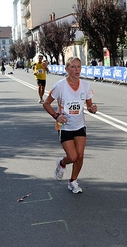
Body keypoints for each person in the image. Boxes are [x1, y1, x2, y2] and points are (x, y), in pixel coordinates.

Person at [43, 57, 98, 194]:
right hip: (64, 126)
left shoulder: (85, 86)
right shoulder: (60, 86)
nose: (76, 69)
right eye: (73, 67)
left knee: (80, 156)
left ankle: (73, 181)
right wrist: (56, 116)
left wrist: (92, 108)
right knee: (72, 157)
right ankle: (62, 163)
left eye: (79, 67)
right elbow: (46, 104)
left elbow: (89, 104)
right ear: (66, 69)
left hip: (79, 125)